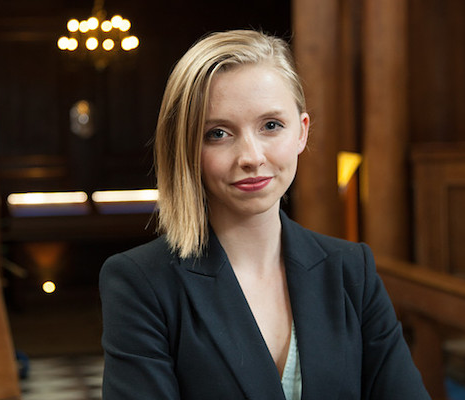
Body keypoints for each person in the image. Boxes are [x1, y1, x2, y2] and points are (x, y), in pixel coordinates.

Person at [99, 29, 430, 400]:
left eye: (271, 126)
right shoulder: (141, 283)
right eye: (218, 133)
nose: (252, 157)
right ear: (187, 147)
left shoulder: (351, 270)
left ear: (301, 132)